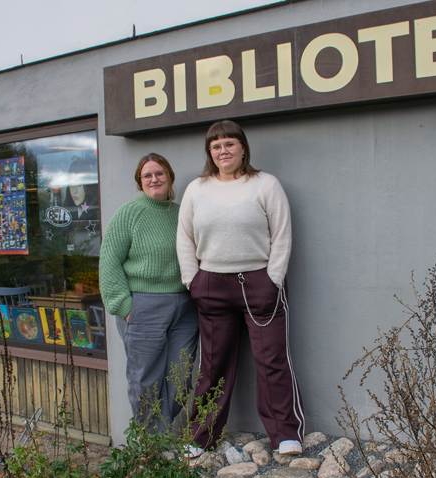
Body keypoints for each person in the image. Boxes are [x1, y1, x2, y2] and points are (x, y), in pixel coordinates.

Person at [177, 120, 305, 456]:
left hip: (259, 285)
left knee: (271, 360)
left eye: (229, 144)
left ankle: (285, 434)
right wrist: (193, 280)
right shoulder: (196, 188)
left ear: (243, 148)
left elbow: (282, 233)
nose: (223, 151)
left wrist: (273, 278)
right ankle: (201, 437)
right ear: (210, 152)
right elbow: (184, 238)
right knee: (212, 367)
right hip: (211, 286)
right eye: (216, 146)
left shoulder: (265, 184)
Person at [99, 153, 199, 431]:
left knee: (181, 376)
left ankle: (160, 437)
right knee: (146, 379)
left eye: (159, 173)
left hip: (186, 305)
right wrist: (124, 307)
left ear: (170, 177)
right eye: (147, 175)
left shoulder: (182, 213)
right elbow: (109, 262)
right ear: (140, 182)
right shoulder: (129, 213)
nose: (154, 179)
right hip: (144, 306)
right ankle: (154, 446)